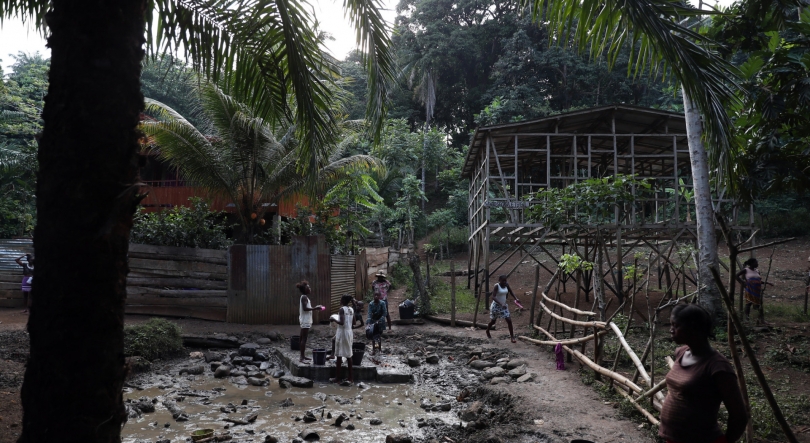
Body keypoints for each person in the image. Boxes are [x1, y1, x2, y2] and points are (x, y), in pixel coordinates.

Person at [660, 303, 748, 443]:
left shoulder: (718, 367)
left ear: (693, 328)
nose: (671, 330)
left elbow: (739, 415)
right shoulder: (681, 353)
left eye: (676, 325)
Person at [735, 258, 773, 324]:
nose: (757, 264)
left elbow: (758, 281)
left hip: (757, 291)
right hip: (749, 290)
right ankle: (747, 319)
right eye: (756, 262)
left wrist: (767, 283)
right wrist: (742, 282)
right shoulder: (746, 270)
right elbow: (736, 276)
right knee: (748, 304)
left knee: (759, 305)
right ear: (751, 263)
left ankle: (762, 319)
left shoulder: (757, 271)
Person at [329, 294, 355, 385]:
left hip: (342, 332)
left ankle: (338, 378)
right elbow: (354, 322)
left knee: (339, 355)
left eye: (341, 299)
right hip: (349, 332)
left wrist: (333, 319)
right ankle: (350, 378)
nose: (340, 300)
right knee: (349, 355)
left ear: (343, 301)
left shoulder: (341, 309)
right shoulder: (351, 310)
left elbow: (341, 322)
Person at [486, 275, 519, 343]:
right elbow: (493, 297)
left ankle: (512, 337)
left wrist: (516, 298)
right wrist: (501, 303)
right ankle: (487, 330)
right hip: (496, 306)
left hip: (504, 306)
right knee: (493, 321)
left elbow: (511, 292)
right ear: (499, 280)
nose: (504, 282)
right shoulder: (496, 286)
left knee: (509, 320)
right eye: (503, 280)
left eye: (505, 280)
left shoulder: (506, 285)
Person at [296, 280, 323, 363]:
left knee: (301, 339)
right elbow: (305, 308)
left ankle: (303, 356)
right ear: (305, 290)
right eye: (308, 287)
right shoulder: (304, 297)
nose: (310, 288)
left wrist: (315, 308)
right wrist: (316, 308)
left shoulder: (305, 297)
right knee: (304, 339)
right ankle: (302, 358)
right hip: (305, 321)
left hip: (304, 320)